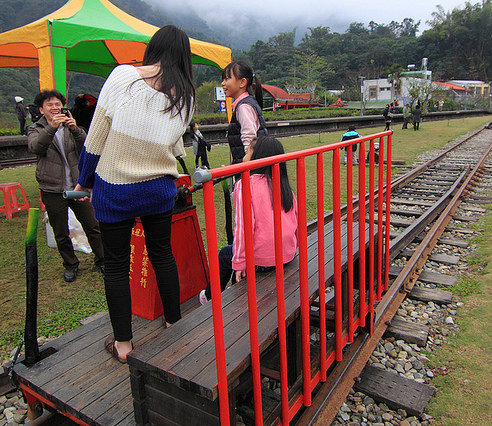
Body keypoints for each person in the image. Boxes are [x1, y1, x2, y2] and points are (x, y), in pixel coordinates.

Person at [75, 24, 195, 363]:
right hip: (160, 189)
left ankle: (124, 346)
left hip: (116, 189)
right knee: (162, 255)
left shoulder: (123, 77)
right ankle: (173, 322)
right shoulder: (185, 95)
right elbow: (175, 146)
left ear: (152, 48)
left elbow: (95, 138)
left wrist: (84, 181)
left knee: (116, 266)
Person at [199, 135, 298, 303]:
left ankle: (209, 297)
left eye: (247, 152)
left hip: (262, 259)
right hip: (287, 254)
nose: (244, 157)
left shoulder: (245, 185)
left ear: (257, 157)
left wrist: (239, 263)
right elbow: (296, 219)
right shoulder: (283, 184)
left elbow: (243, 228)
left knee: (224, 254)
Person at [27, 90, 105, 282]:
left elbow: (88, 148)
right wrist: (52, 128)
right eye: (49, 105)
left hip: (77, 186)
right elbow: (36, 147)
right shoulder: (35, 129)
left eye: (57, 104)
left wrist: (76, 130)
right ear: (41, 110)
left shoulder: (71, 126)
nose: (55, 108)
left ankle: (103, 260)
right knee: (61, 232)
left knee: (93, 225)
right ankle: (71, 264)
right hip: (52, 188)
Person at [222, 61, 268, 163]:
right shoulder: (247, 103)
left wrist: (247, 164)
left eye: (227, 79)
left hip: (249, 168)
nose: (223, 83)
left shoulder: (244, 107)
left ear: (242, 82)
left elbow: (249, 138)